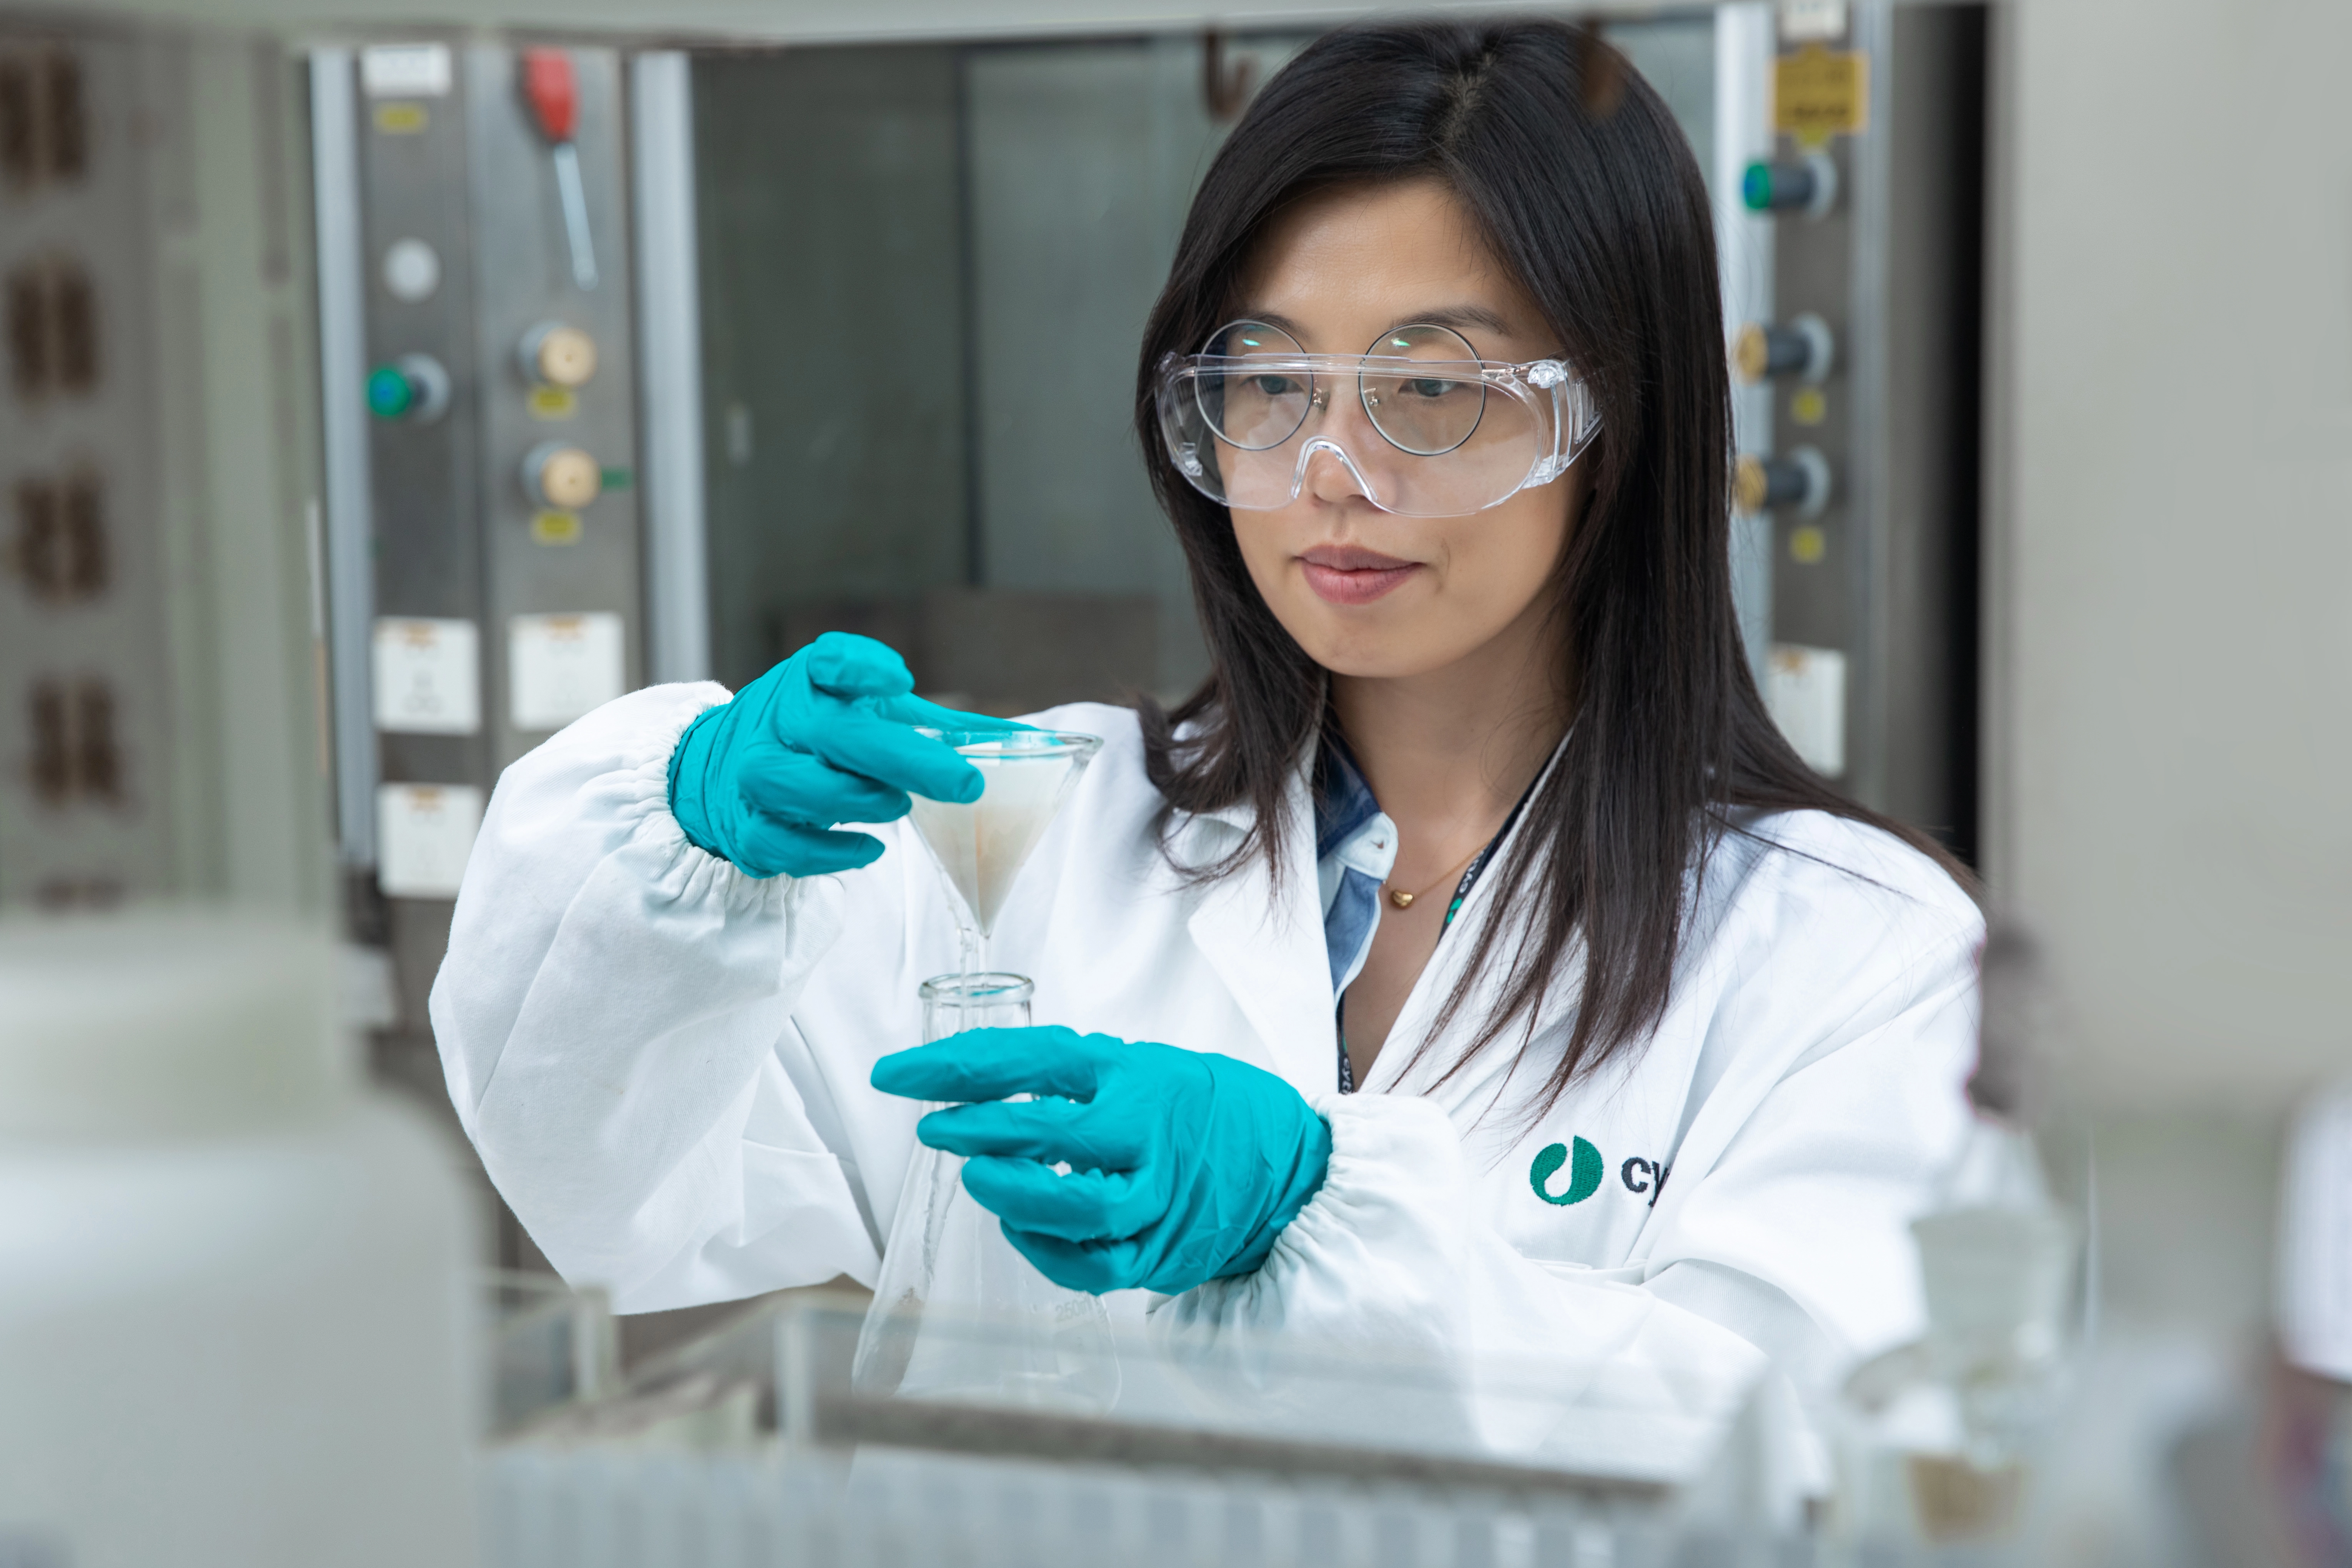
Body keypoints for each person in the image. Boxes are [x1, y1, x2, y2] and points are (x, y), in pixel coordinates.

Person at [433, 18, 1981, 1468]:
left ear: (1612, 426)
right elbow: (617, 1202)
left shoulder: (1848, 959)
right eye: (1265, 382)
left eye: (1428, 390)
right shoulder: (1025, 827)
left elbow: (1820, 1461)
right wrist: (678, 866)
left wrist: (1319, 1227)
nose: (1326, 471)